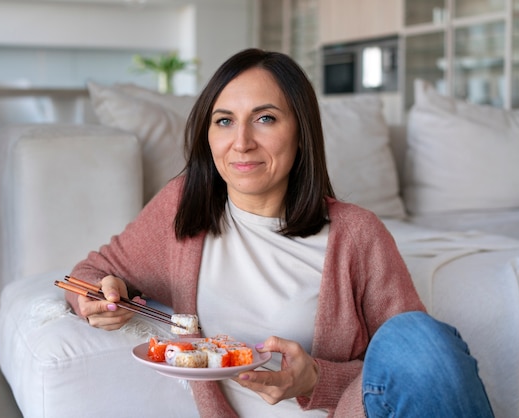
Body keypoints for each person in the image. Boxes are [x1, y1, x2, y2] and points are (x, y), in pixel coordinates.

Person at [66, 48, 494, 417]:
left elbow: (407, 370)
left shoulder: (356, 234)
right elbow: (90, 274)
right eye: (224, 121)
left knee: (420, 336)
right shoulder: (182, 211)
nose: (242, 142)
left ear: (301, 134)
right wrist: (97, 299)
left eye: (265, 118)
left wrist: (315, 379)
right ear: (207, 135)